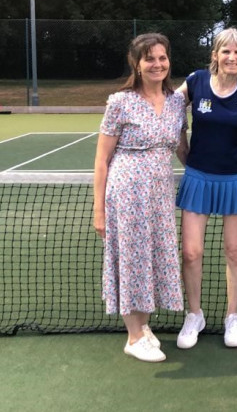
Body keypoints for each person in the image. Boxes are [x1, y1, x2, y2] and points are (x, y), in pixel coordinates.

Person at [93, 33, 187, 363]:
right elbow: (102, 159)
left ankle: (143, 326)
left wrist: (209, 170)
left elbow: (181, 148)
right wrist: (99, 210)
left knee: (152, 257)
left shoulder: (177, 102)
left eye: (162, 57)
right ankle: (133, 337)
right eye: (149, 59)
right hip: (127, 192)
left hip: (161, 194)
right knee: (132, 259)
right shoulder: (120, 102)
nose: (157, 64)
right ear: (137, 63)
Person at [174, 28, 237, 349]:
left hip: (236, 178)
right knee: (191, 251)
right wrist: (180, 144)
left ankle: (232, 316)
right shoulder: (196, 81)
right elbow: (169, 107)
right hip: (198, 177)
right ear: (215, 55)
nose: (232, 57)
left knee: (235, 251)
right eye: (226, 51)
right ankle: (194, 314)